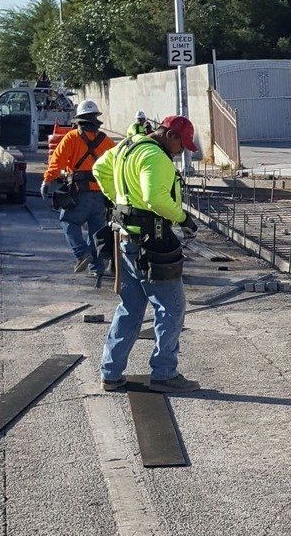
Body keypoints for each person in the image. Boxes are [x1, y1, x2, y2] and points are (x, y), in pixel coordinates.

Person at [92, 114, 199, 392]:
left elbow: (99, 169)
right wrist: (182, 218)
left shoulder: (127, 147)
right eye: (181, 146)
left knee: (130, 307)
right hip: (153, 243)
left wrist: (119, 199)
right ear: (171, 135)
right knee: (172, 307)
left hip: (126, 239)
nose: (180, 152)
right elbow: (155, 198)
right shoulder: (156, 157)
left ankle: (111, 373)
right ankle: (164, 373)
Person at [41, 99, 114, 280]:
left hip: (79, 193)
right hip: (100, 195)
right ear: (96, 118)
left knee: (68, 221)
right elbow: (118, 164)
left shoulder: (72, 137)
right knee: (97, 232)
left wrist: (47, 181)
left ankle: (82, 253)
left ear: (79, 119)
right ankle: (96, 267)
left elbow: (56, 161)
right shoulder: (106, 141)